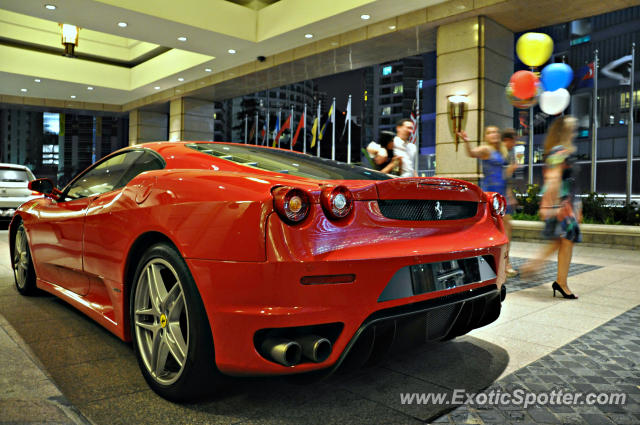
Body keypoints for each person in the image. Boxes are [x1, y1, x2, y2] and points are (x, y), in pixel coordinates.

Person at [522, 116, 581, 299]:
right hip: (562, 203)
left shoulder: (565, 150)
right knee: (565, 240)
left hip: (566, 202)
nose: (575, 130)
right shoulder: (559, 150)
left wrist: (577, 206)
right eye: (572, 128)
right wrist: (554, 204)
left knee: (562, 241)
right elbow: (553, 178)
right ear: (563, 131)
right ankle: (559, 281)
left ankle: (540, 269)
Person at [458, 126, 518, 277]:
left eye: (496, 131)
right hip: (490, 195)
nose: (494, 134)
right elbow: (472, 153)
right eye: (490, 132)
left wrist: (510, 193)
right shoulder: (486, 149)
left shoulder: (501, 151)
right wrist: (466, 141)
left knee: (507, 229)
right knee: (491, 230)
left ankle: (505, 262)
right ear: (486, 136)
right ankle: (491, 262)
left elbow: (505, 174)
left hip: (502, 193)